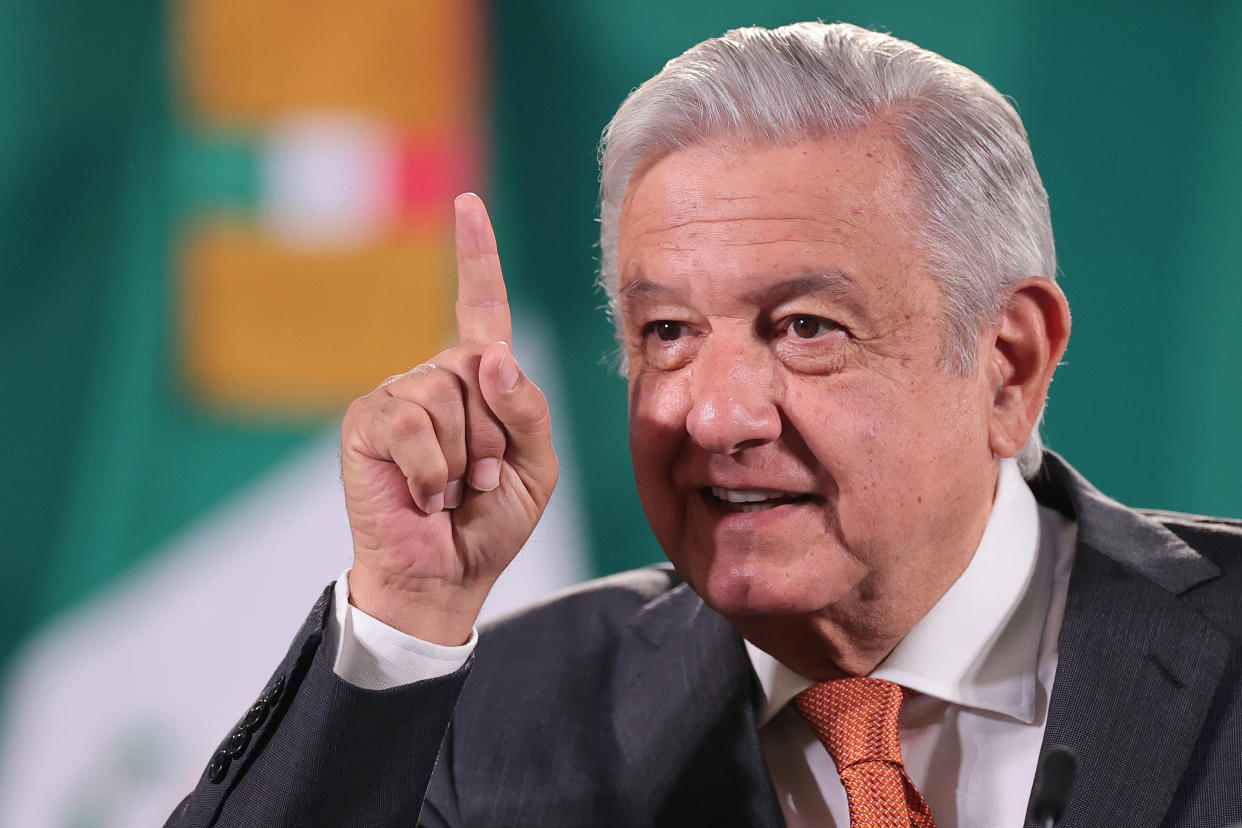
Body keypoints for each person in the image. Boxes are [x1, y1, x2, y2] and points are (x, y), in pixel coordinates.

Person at [167, 22, 1242, 828]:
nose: (714, 414)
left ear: (1008, 363)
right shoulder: (494, 715)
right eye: (669, 331)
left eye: (807, 327)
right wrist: (407, 609)